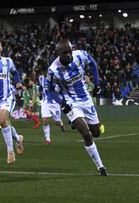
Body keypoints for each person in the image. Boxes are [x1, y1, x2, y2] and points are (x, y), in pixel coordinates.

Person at [47, 39, 108, 176]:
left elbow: (92, 63)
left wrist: (97, 84)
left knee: (96, 133)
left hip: (86, 99)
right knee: (86, 134)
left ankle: (76, 121)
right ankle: (100, 167)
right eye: (65, 53)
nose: (69, 55)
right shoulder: (53, 70)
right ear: (58, 53)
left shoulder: (80, 55)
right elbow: (50, 90)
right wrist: (62, 103)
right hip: (71, 102)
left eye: (70, 51)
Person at [39, 72, 65, 145]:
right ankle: (48, 139)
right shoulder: (41, 78)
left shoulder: (56, 78)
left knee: (57, 122)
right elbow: (40, 87)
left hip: (55, 103)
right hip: (45, 102)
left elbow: (61, 90)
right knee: (45, 120)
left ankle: (61, 123)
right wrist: (41, 93)